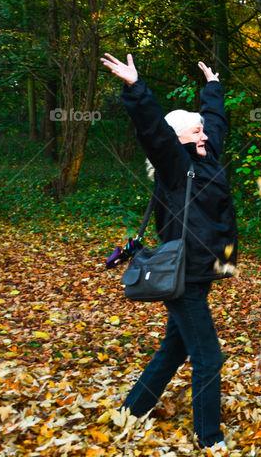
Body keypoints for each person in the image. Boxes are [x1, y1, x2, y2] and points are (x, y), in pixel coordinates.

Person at [101, 52, 238, 455]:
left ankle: (131, 409)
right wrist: (136, 89)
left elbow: (215, 121)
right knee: (209, 358)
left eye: (201, 129)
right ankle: (209, 437)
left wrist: (212, 87)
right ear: (176, 139)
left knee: (174, 348)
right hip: (184, 279)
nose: (203, 133)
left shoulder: (207, 154)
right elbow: (153, 131)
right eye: (194, 130)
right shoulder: (174, 166)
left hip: (201, 272)